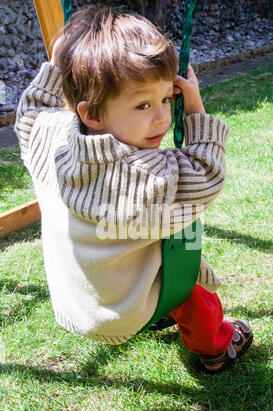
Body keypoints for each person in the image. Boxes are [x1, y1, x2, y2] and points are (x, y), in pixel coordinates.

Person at [15, 5, 252, 373]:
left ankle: (159, 310)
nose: (161, 117)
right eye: (142, 104)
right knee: (188, 273)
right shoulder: (146, 175)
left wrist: (57, 66)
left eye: (166, 100)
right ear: (91, 114)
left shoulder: (50, 136)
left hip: (77, 302)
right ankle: (216, 348)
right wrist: (195, 110)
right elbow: (206, 175)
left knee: (155, 244)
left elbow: (30, 111)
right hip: (124, 312)